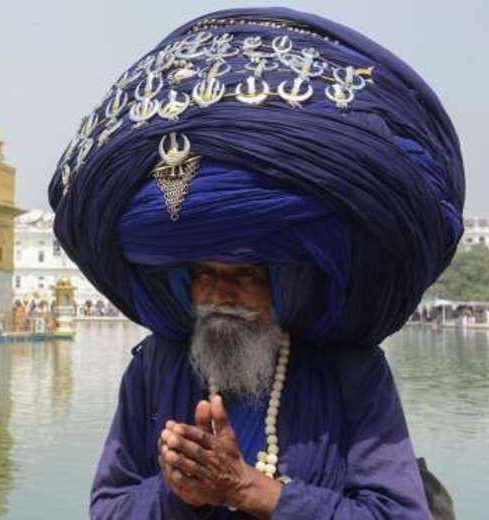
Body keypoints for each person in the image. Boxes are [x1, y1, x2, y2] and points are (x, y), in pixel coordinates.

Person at [47, 7, 463, 519]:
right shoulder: (156, 365)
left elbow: (402, 513)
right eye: (205, 275)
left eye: (244, 275)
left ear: (284, 281)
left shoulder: (353, 370)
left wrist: (250, 490)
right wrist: (177, 493)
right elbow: (107, 508)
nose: (222, 293)